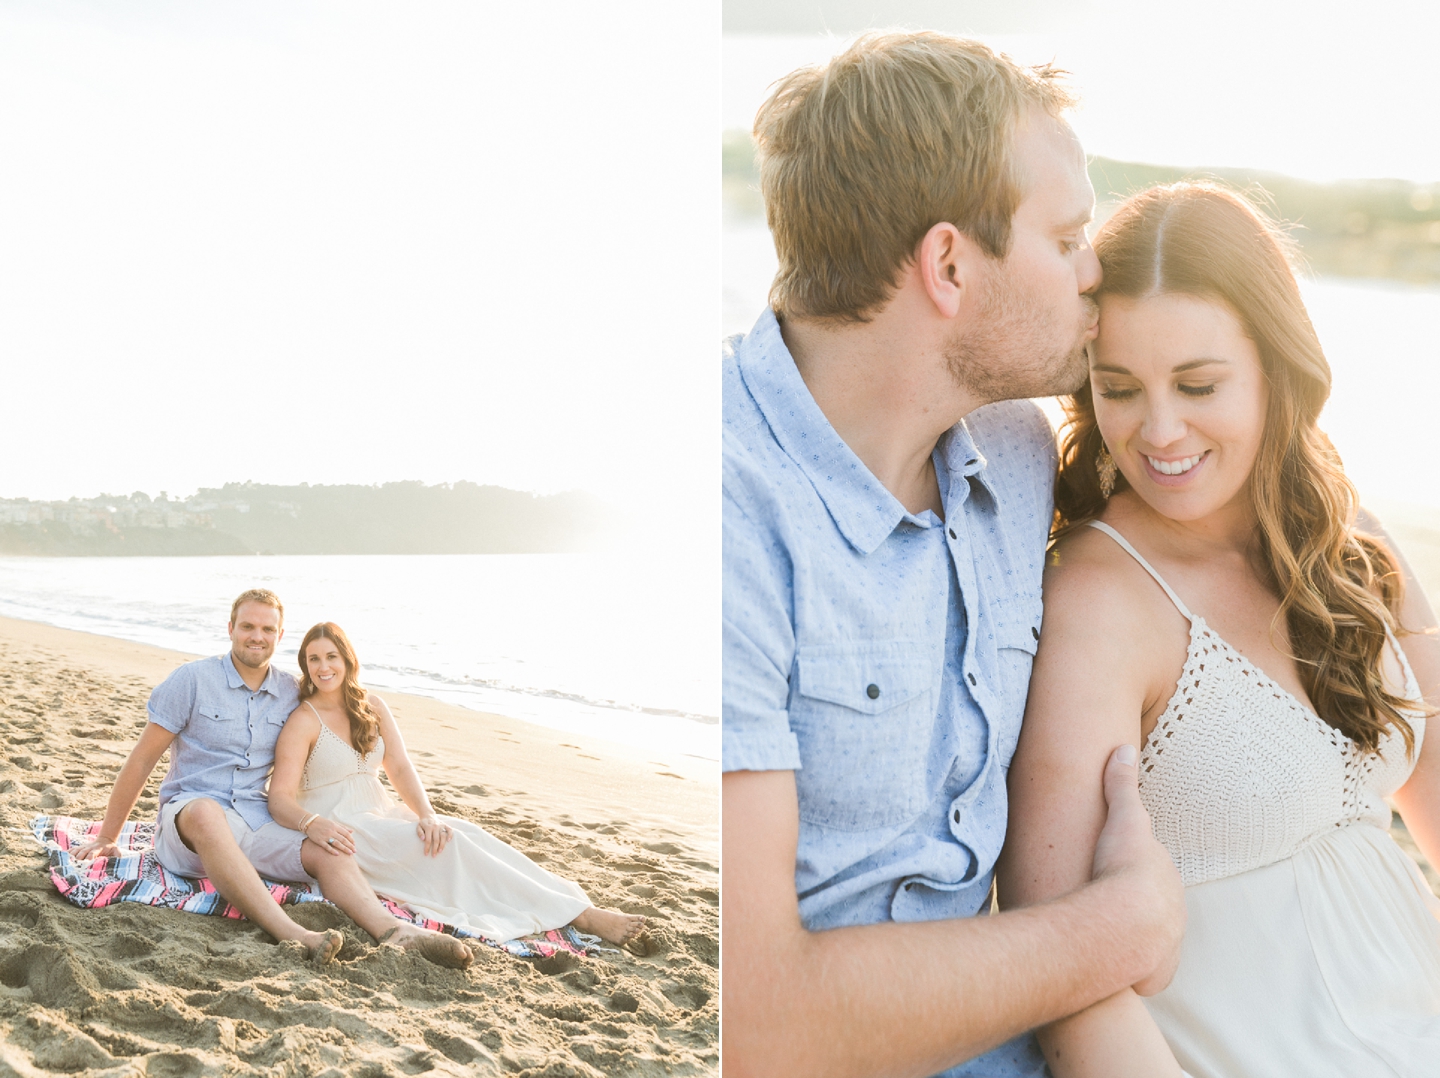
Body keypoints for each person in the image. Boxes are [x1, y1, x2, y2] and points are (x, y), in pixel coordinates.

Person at [722, 31, 1185, 1078]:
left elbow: (1220, 498)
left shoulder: (1016, 452)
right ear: (948, 265)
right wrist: (1119, 928)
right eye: (1066, 238)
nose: (1094, 268)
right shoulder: (728, 508)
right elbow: (749, 1025)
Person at [998, 182, 1440, 1076]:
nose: (1158, 432)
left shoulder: (1344, 535)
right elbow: (1063, 977)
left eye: (1198, 384)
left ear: (1278, 365)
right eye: (1118, 388)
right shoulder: (1102, 601)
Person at [73, 589, 472, 969]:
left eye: (267, 630)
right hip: (189, 824)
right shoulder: (191, 680)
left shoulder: (289, 691)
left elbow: (336, 710)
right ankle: (294, 933)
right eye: (248, 626)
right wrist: (109, 836)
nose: (257, 637)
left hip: (255, 821)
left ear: (280, 636)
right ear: (230, 627)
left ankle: (394, 930)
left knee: (330, 846)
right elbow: (141, 761)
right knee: (206, 812)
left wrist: (335, 807)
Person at [267, 621, 646, 947]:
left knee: (460, 832)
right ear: (305, 665)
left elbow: (398, 765)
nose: (323, 667)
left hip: (381, 811)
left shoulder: (372, 706)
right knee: (453, 850)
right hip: (344, 828)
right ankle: (583, 918)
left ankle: (578, 907)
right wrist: (314, 826)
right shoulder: (304, 720)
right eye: (313, 659)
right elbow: (279, 799)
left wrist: (427, 814)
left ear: (348, 660)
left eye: (331, 656)